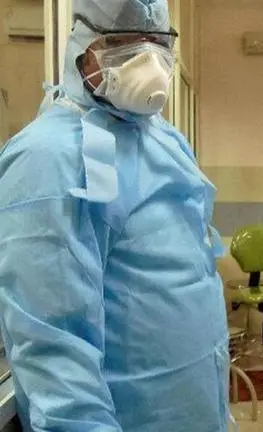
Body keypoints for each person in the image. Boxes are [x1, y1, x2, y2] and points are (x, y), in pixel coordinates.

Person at [0, 1, 230, 430]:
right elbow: (55, 356)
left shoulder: (165, 140)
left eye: (157, 42)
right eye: (123, 43)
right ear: (83, 47)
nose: (147, 60)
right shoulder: (48, 159)